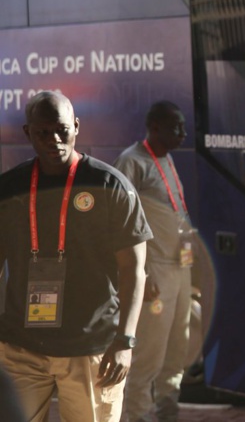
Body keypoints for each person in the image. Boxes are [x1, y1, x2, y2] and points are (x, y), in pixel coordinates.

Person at [0, 91, 150, 421]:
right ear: (28, 133)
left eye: (62, 130)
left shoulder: (110, 186)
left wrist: (125, 341)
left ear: (77, 127)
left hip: (92, 349)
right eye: (43, 132)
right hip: (19, 349)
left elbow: (134, 269)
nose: (54, 139)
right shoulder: (9, 188)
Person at [114, 101, 194, 422]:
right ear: (155, 127)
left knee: (176, 354)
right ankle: (138, 417)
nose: (184, 134)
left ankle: (166, 416)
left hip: (180, 271)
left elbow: (178, 214)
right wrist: (141, 274)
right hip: (155, 275)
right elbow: (116, 223)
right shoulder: (131, 162)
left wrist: (189, 258)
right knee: (148, 358)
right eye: (177, 127)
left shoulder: (167, 158)